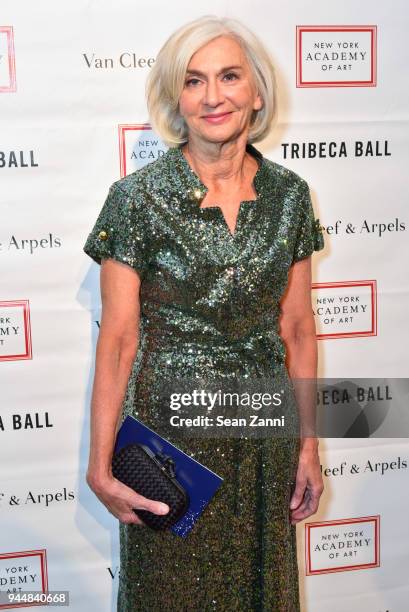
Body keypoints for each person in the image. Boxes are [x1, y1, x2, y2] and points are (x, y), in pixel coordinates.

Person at [83, 14, 325, 612]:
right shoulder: (137, 199)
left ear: (258, 92)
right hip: (171, 448)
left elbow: (296, 328)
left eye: (229, 77)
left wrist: (309, 446)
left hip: (265, 435)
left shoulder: (291, 195)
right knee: (168, 594)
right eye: (194, 81)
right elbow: (117, 340)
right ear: (177, 98)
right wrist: (99, 463)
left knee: (260, 592)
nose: (213, 96)